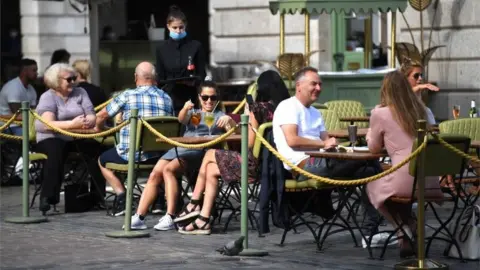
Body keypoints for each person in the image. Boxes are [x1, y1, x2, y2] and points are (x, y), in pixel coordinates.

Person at [272, 67, 390, 248]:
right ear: (298, 86)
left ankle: (371, 231)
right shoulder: (287, 106)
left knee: (370, 170)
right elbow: (292, 140)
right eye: (314, 84)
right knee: (370, 161)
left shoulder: (315, 112)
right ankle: (381, 224)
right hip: (304, 165)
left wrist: (337, 147)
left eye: (320, 84)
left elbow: (327, 140)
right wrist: (324, 145)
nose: (318, 88)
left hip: (325, 160)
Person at [174, 70, 290, 235]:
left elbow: (249, 143)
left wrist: (246, 118)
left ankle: (193, 203)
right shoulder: (285, 108)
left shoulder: (258, 109)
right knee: (212, 170)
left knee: (209, 155)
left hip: (253, 166)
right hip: (275, 165)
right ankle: (204, 219)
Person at [128, 81, 235, 230]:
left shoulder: (219, 116)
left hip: (199, 151)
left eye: (213, 97)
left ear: (217, 98)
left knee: (168, 170)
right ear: (199, 97)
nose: (209, 101)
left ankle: (170, 216)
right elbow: (182, 119)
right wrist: (185, 109)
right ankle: (139, 217)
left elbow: (233, 133)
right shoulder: (195, 114)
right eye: (205, 97)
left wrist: (229, 121)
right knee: (154, 174)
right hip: (182, 148)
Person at [366, 71, 443, 258]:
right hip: (430, 181)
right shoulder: (420, 110)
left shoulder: (380, 113)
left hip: (406, 178)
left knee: (372, 185)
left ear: (385, 90)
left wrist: (369, 133)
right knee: (393, 190)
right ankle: (409, 224)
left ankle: (402, 231)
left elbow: (374, 148)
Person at [95, 61, 174, 216]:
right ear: (155, 78)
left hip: (131, 155)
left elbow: (101, 115)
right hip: (159, 156)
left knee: (102, 160)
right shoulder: (166, 98)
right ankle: (158, 198)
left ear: (136, 77)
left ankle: (122, 196)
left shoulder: (128, 95)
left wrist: (99, 129)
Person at [34, 63, 106, 214]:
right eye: (69, 79)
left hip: (76, 137)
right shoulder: (48, 97)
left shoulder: (80, 92)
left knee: (98, 151)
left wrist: (90, 121)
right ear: (56, 81)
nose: (73, 81)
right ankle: (48, 197)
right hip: (51, 137)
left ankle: (97, 196)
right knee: (55, 151)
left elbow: (91, 113)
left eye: (74, 78)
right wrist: (72, 124)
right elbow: (48, 125)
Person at [156, 5, 206, 114]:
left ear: (185, 26)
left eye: (181, 27)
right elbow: (159, 77)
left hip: (190, 97)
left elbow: (202, 74)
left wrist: (193, 81)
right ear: (168, 26)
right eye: (175, 28)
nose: (178, 31)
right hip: (169, 99)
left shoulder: (195, 46)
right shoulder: (161, 49)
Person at [0, 59, 38, 135]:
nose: (37, 73)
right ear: (24, 71)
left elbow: (34, 112)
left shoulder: (31, 89)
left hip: (26, 124)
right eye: (34, 70)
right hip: (9, 126)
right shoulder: (13, 87)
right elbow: (18, 115)